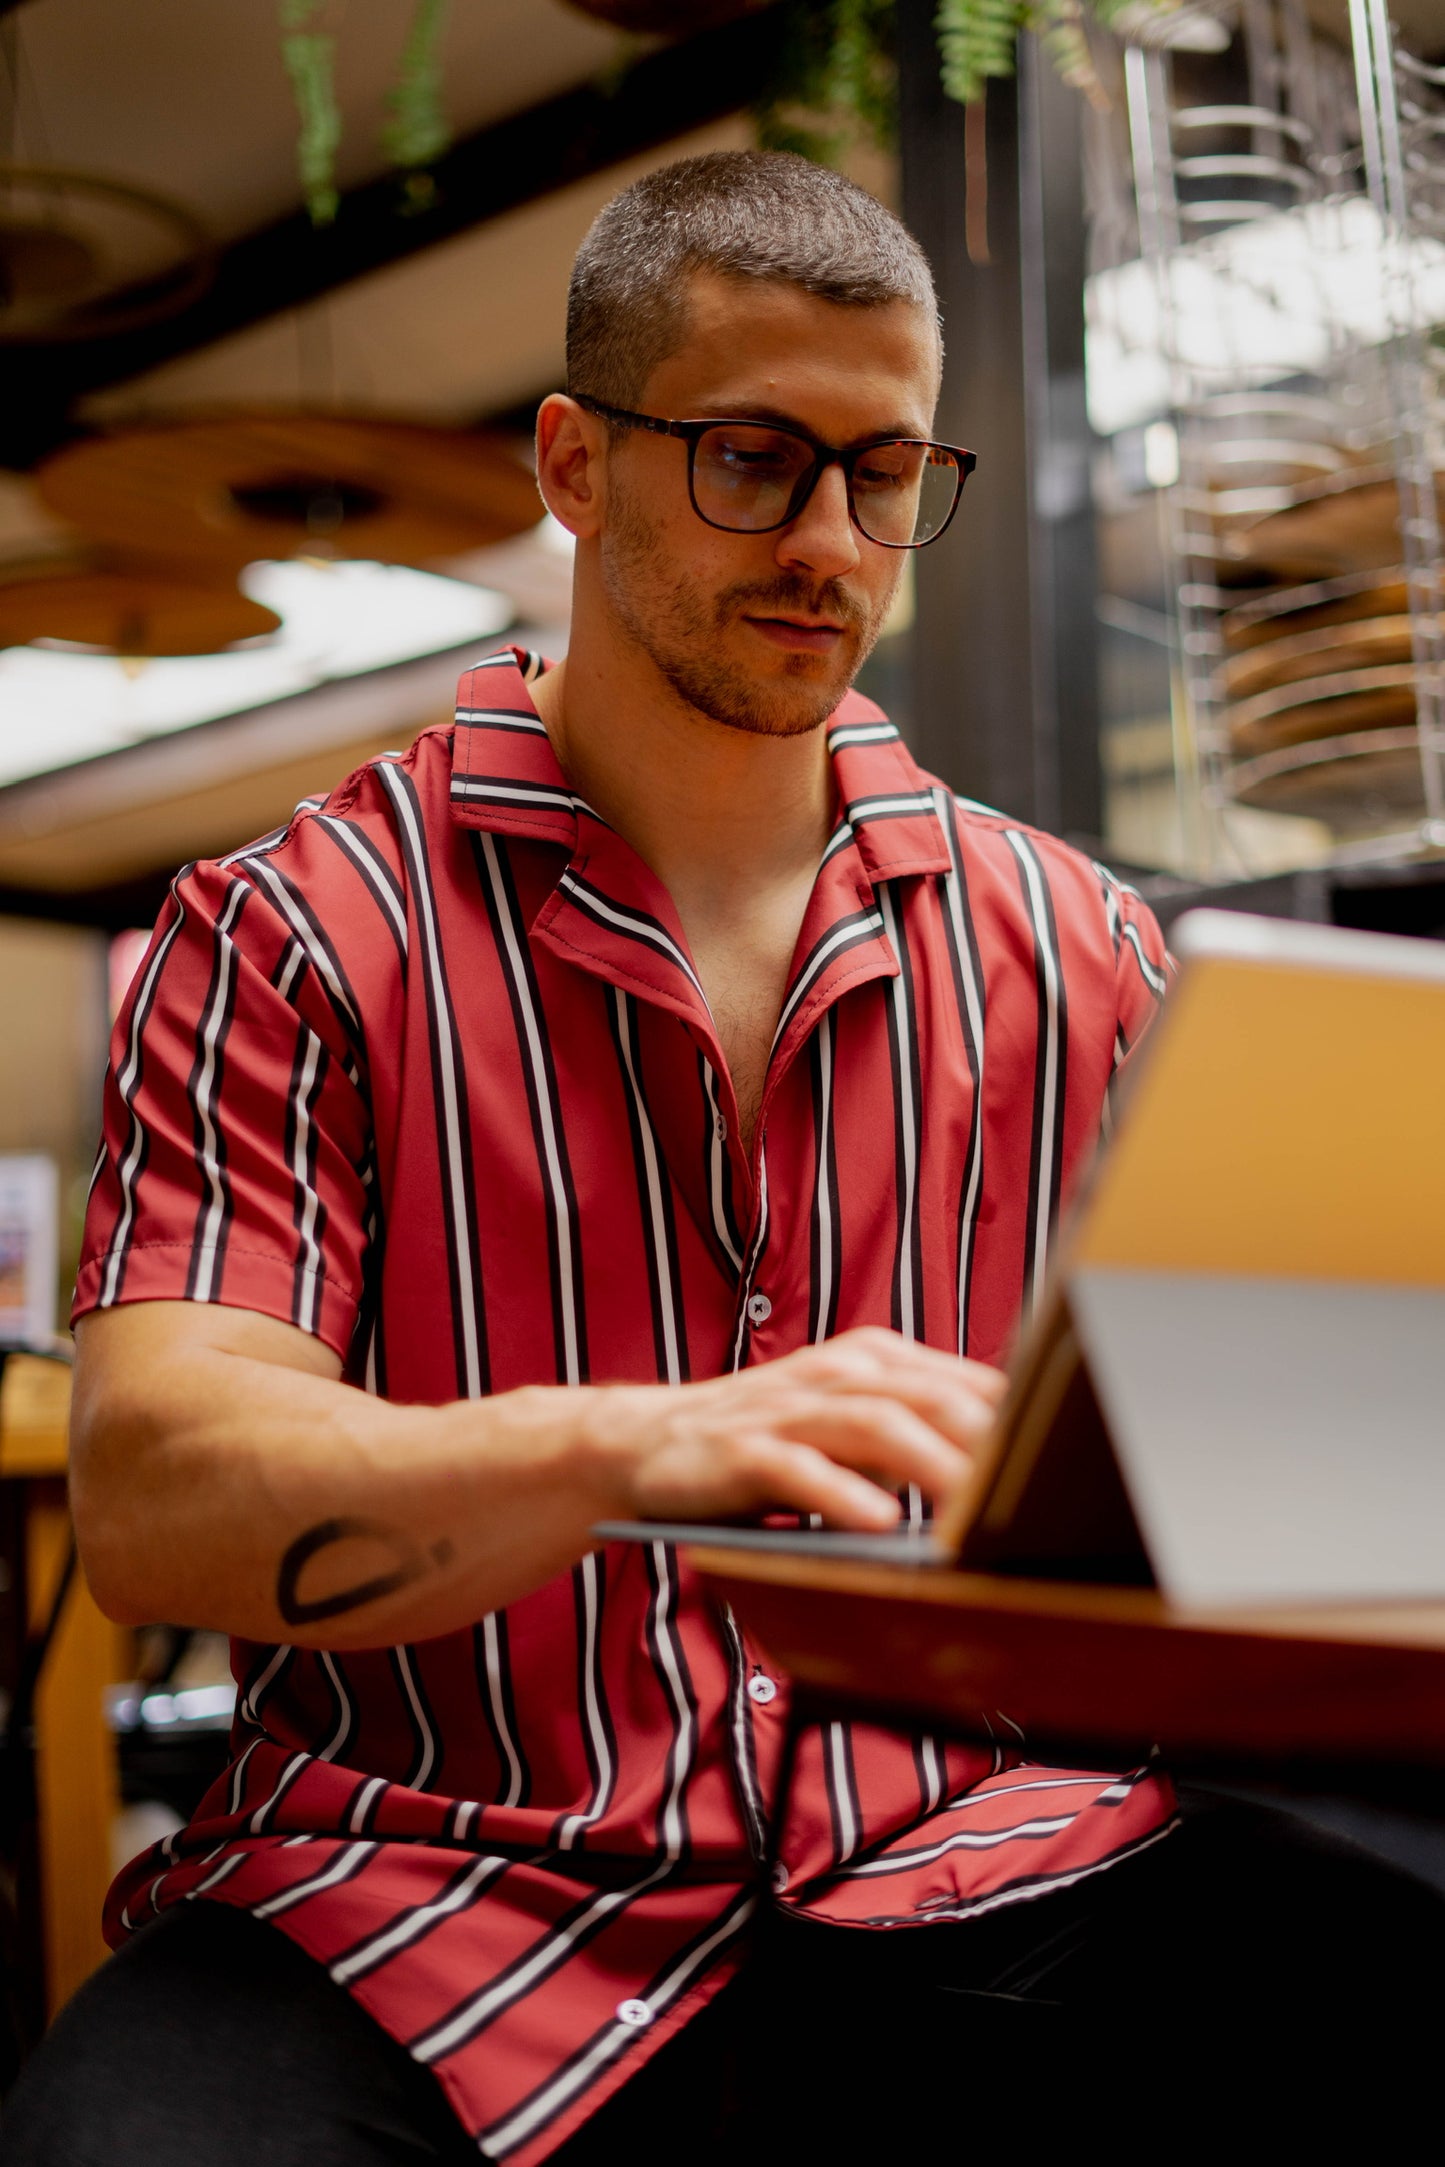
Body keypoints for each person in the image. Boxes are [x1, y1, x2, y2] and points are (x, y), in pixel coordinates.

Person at [8, 150, 1444, 2165]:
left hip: (989, 1847)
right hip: (430, 1894)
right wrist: (632, 1446)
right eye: (755, 459)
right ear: (576, 463)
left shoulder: (1080, 945)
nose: (831, 540)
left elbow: (1288, 1485)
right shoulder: (300, 926)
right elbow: (159, 1500)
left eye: (885, 475)